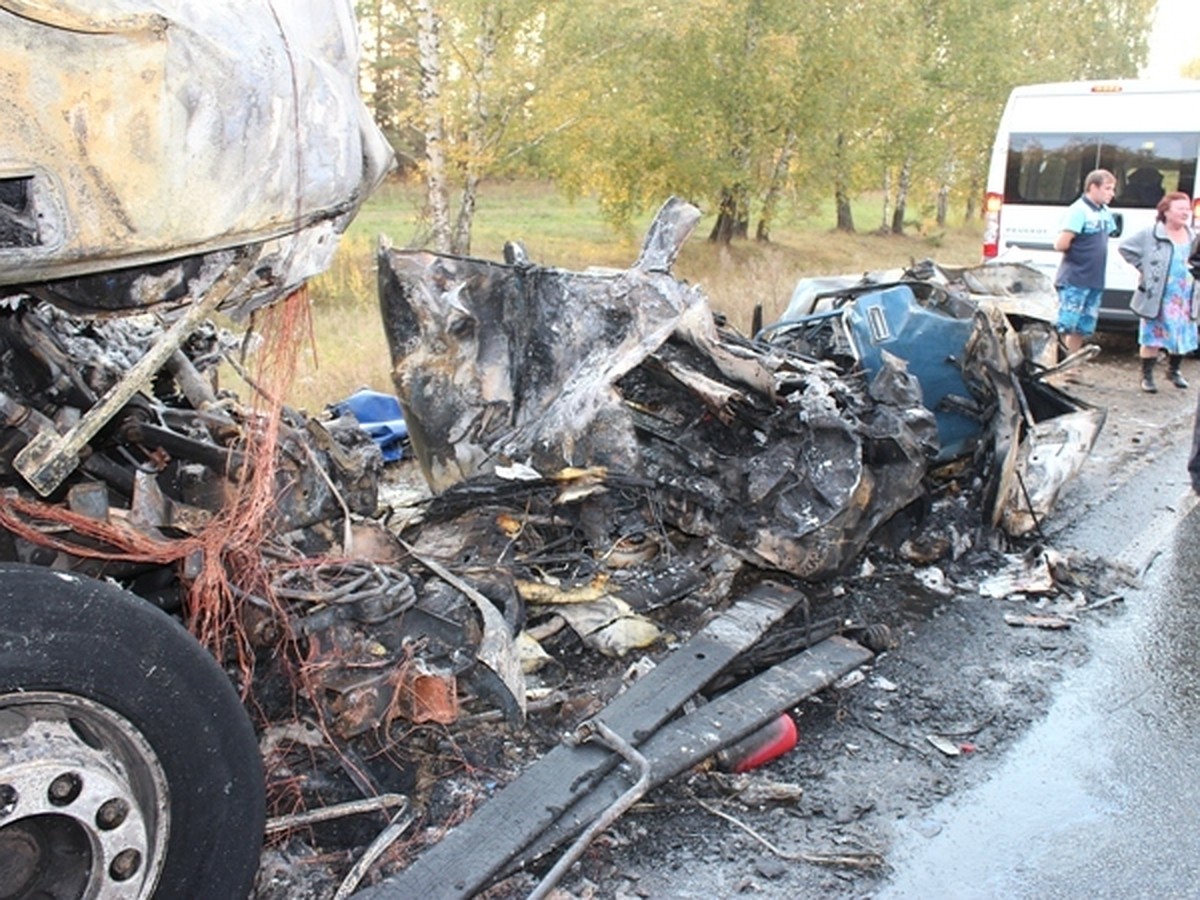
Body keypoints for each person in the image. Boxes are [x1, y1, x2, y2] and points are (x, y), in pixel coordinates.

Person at [1118, 191, 1198, 392]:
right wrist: (1144, 268)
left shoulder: (1193, 235)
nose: (1185, 213)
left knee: (1181, 333)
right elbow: (1125, 248)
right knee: (1152, 336)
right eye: (1180, 209)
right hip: (1158, 295)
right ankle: (1147, 376)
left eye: (1187, 209)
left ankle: (1174, 370)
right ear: (1166, 211)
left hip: (1185, 294)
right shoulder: (1151, 233)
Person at [1053, 169, 1118, 362]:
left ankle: (1071, 362)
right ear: (1093, 187)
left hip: (1094, 278)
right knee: (1066, 323)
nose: (1111, 194)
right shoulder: (1078, 210)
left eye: (1112, 189)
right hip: (1075, 277)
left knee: (1082, 325)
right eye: (1107, 188)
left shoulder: (1105, 212)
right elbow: (1061, 243)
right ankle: (1056, 362)